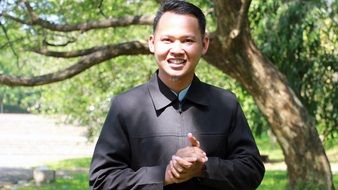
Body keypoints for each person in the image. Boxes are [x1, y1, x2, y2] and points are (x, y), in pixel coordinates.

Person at [89, 0, 265, 189]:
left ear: (204, 44)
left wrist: (204, 167)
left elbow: (252, 170)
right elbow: (102, 180)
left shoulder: (225, 104)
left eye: (187, 40)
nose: (177, 50)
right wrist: (165, 174)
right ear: (152, 43)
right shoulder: (126, 106)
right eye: (167, 40)